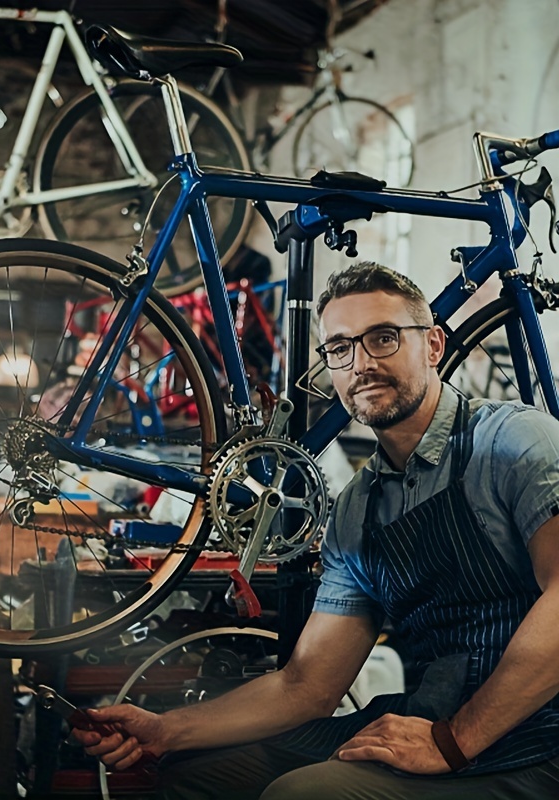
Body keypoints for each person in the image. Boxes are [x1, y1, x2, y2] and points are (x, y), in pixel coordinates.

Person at [72, 262, 559, 799]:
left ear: (434, 346)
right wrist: (165, 730)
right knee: (198, 778)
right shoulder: (358, 509)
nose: (362, 363)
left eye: (383, 338)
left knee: (305, 794)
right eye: (340, 348)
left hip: (535, 735)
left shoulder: (514, 442)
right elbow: (307, 687)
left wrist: (455, 739)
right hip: (434, 718)